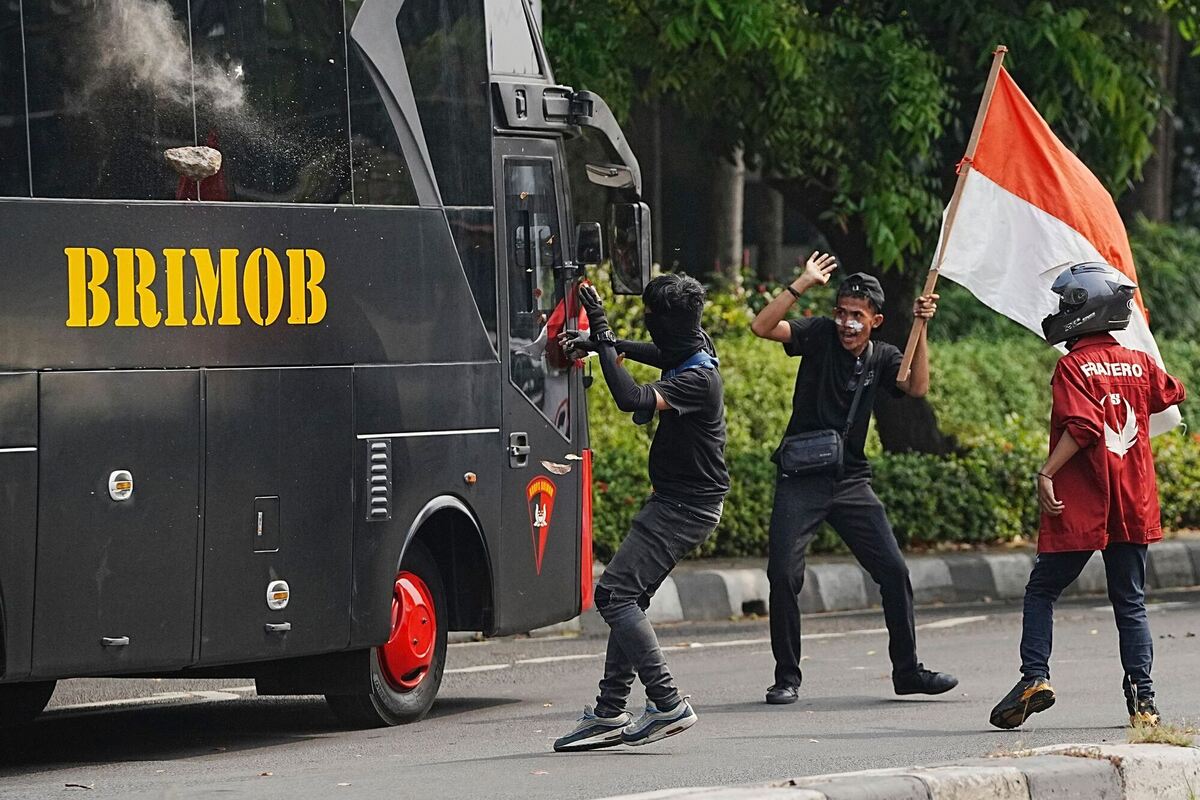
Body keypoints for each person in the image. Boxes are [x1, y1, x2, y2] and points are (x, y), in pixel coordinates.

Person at [749, 253, 958, 705]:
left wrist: (922, 327)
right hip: (801, 477)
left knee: (894, 572)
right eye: (842, 313)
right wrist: (803, 283)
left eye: (857, 317)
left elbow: (916, 387)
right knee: (783, 574)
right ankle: (786, 677)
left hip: (850, 482)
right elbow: (761, 327)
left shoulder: (882, 356)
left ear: (875, 321)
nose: (847, 324)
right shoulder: (818, 335)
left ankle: (907, 671)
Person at [989, 262, 1186, 730]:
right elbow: (1172, 392)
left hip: (1083, 500)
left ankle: (1034, 677)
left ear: (1085, 308)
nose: (1060, 310)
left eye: (1066, 303)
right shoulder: (1138, 362)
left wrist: (1046, 472)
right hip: (1132, 500)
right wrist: (1131, 362)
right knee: (1130, 602)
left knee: (1042, 589)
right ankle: (1144, 702)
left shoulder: (1072, 366)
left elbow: (1082, 427)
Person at [552, 274, 728, 751]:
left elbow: (630, 398)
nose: (647, 325)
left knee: (613, 595)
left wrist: (603, 327)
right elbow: (660, 353)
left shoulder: (699, 380)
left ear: (664, 321)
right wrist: (598, 343)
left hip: (684, 507)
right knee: (629, 597)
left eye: (650, 317)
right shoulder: (694, 345)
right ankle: (610, 711)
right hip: (680, 501)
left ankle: (667, 703)